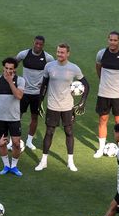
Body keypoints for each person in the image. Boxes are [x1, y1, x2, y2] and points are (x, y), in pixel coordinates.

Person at [35, 43, 89, 172]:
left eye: (62, 52)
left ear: (68, 54)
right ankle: (43, 161)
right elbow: (44, 85)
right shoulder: (49, 66)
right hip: (52, 105)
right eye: (58, 52)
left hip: (67, 106)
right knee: (49, 132)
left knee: (69, 132)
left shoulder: (74, 68)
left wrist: (82, 102)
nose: (59, 54)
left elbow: (86, 85)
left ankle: (70, 162)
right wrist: (40, 101)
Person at [94, 31, 119, 158]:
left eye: (115, 40)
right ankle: (101, 148)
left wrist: (117, 84)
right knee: (103, 120)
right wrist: (104, 82)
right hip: (103, 93)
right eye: (110, 39)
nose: (112, 42)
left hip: (118, 95)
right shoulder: (101, 54)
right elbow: (98, 68)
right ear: (108, 40)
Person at [15, 36, 54, 150]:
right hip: (24, 92)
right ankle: (14, 138)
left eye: (40, 44)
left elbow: (54, 71)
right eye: (36, 43)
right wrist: (15, 78)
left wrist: (45, 84)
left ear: (43, 45)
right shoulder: (24, 54)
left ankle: (29, 141)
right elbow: (12, 63)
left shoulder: (48, 58)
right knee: (17, 116)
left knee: (34, 117)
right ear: (33, 43)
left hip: (37, 93)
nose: (38, 46)